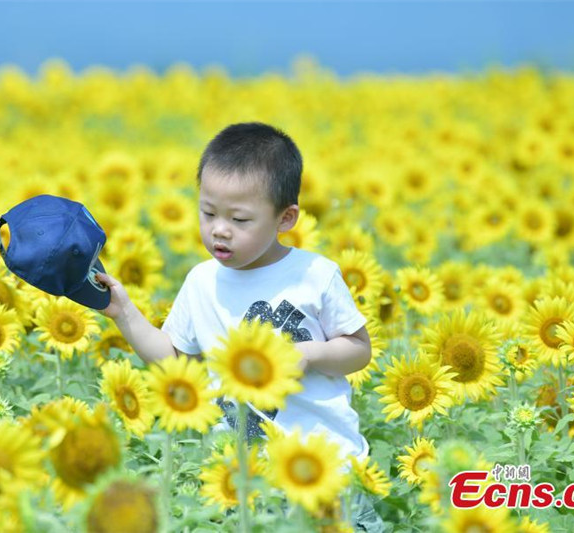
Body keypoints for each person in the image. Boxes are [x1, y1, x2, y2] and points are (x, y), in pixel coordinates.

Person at [95, 122, 384, 532]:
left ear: (285, 218)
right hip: (243, 477)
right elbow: (177, 361)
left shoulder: (315, 275)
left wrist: (312, 353)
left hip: (328, 469)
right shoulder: (201, 282)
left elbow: (358, 349)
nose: (219, 229)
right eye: (208, 212)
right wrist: (124, 313)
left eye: (240, 219)